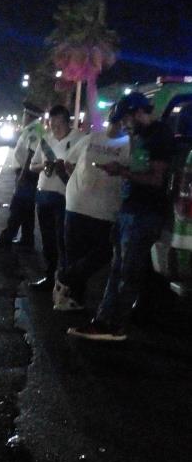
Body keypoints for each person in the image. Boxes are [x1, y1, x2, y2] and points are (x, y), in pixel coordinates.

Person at [68, 92, 174, 341]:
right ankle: (103, 322)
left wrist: (121, 172)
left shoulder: (159, 136)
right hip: (130, 209)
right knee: (117, 269)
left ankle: (115, 326)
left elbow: (156, 179)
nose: (124, 124)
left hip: (144, 213)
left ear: (138, 112)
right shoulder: (139, 136)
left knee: (128, 272)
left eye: (126, 119)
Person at [53, 105, 130, 310]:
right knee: (101, 252)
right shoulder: (128, 145)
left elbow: (67, 163)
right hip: (100, 208)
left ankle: (69, 291)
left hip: (80, 203)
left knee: (80, 255)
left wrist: (78, 183)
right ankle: (70, 292)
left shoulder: (92, 138)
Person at [28, 105, 85, 291]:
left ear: (67, 122)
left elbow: (84, 169)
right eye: (52, 125)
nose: (54, 129)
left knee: (63, 240)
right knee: (47, 239)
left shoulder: (79, 139)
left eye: (58, 125)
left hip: (65, 197)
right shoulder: (46, 140)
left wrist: (66, 168)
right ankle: (49, 276)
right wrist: (44, 166)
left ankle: (64, 282)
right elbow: (32, 166)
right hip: (44, 194)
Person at [0, 101, 45, 250]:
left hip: (27, 175)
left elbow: (31, 153)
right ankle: (27, 239)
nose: (23, 116)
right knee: (26, 209)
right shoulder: (31, 129)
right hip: (26, 174)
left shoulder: (34, 131)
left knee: (17, 208)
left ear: (29, 116)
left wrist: (23, 176)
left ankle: (6, 239)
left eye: (25, 114)